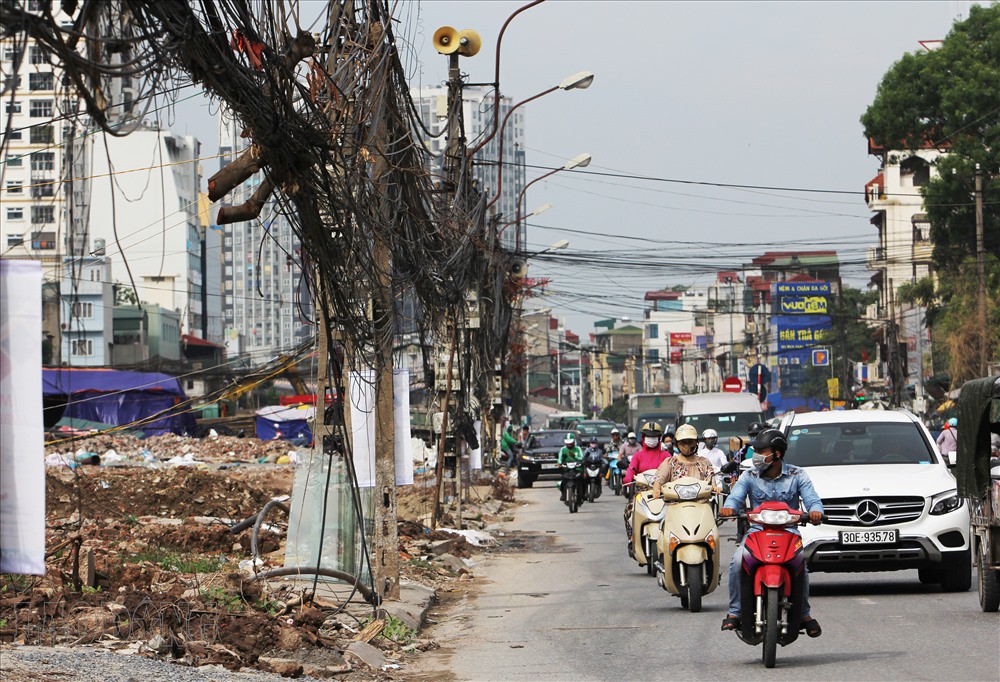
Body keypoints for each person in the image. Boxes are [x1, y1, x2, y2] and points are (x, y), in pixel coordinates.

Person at [719, 428, 824, 637]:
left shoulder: (797, 475)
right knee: (738, 561)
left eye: (761, 450)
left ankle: (804, 614)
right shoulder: (749, 475)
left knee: (800, 566)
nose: (755, 455)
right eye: (755, 451)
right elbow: (736, 496)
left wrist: (815, 512)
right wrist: (729, 506)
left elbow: (812, 499)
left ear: (777, 453)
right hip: (757, 532)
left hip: (789, 533)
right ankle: (735, 611)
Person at [652, 424, 716, 498]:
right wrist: (656, 489)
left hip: (701, 504)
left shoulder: (704, 462)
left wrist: (715, 488)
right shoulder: (670, 462)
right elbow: (659, 478)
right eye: (683, 442)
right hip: (675, 505)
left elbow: (711, 481)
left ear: (696, 443)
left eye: (690, 442)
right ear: (677, 444)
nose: (686, 446)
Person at [557, 432, 584, 501]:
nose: (569, 445)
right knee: (563, 481)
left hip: (577, 468)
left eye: (570, 443)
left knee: (582, 480)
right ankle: (563, 494)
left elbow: (582, 458)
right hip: (567, 469)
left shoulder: (578, 449)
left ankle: (582, 494)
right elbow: (559, 459)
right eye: (567, 443)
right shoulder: (563, 449)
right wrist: (559, 463)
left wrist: (575, 456)